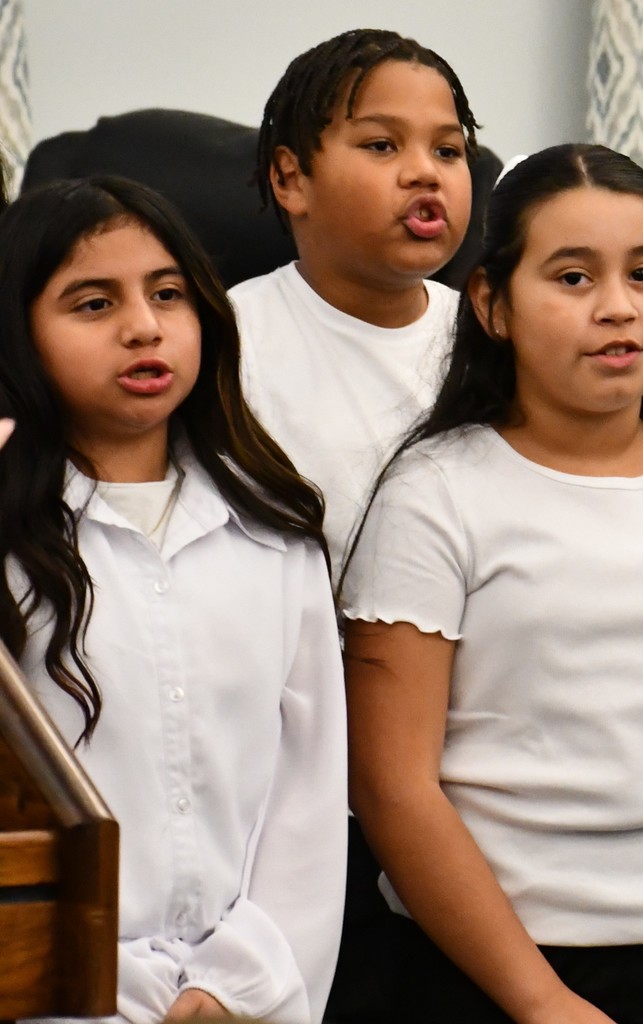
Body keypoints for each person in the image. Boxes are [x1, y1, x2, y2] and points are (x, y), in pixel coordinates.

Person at [339, 143, 643, 1024]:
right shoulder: (434, 497)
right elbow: (391, 786)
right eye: (572, 278)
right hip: (480, 970)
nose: (617, 308)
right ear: (491, 304)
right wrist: (540, 1004)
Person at [0, 176, 347, 1024]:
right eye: (92, 303)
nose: (144, 326)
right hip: (52, 993)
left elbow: (307, 800)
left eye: (167, 294)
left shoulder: (275, 534)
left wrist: (235, 983)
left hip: (246, 1000)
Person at [227, 29, 481, 1024]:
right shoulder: (220, 342)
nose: (424, 174)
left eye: (449, 150)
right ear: (290, 177)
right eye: (381, 146)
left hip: (479, 779)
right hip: (293, 797)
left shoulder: (499, 340)